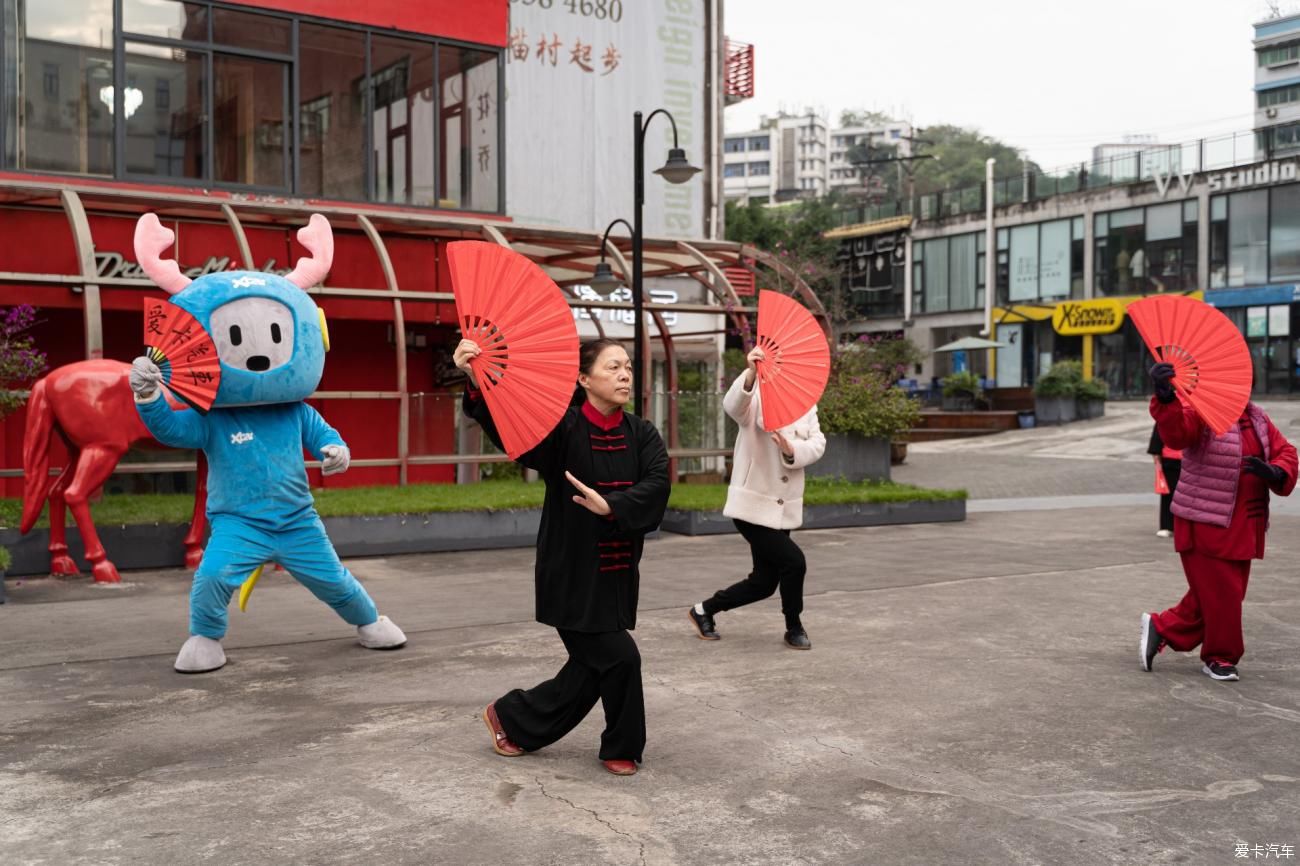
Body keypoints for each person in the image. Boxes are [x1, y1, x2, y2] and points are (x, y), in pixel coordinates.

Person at [459, 337, 670, 776]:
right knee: (621, 658)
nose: (625, 375)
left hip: (617, 576)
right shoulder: (561, 429)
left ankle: (512, 719)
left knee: (592, 668)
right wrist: (476, 382)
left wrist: (613, 506)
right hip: (570, 574)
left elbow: (658, 484)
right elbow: (512, 432)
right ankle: (622, 746)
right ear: (583, 378)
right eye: (612, 367)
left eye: (627, 367)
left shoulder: (643, 433)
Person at [1140, 361, 1297, 682]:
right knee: (1222, 594)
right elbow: (1177, 434)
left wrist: (1277, 471)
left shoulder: (1257, 418)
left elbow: (1286, 451)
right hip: (1205, 523)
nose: (1239, 388)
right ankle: (1220, 656)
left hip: (1245, 524)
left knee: (1219, 595)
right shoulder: (1200, 413)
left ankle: (1163, 626)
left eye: (1243, 382)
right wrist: (1166, 398)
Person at [687, 346, 827, 649]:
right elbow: (733, 406)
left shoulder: (806, 402)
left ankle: (704, 610)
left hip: (783, 506)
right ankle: (794, 627)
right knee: (794, 562)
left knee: (764, 583)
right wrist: (750, 372)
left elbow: (818, 443)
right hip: (751, 503)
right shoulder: (757, 394)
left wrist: (791, 449)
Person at [1147, 423, 1182, 538]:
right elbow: (1160, 425)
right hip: (1170, 457)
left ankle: (1185, 526)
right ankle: (1167, 525)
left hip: (1192, 457)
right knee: (1168, 493)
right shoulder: (1168, 408)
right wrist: (1156, 451)